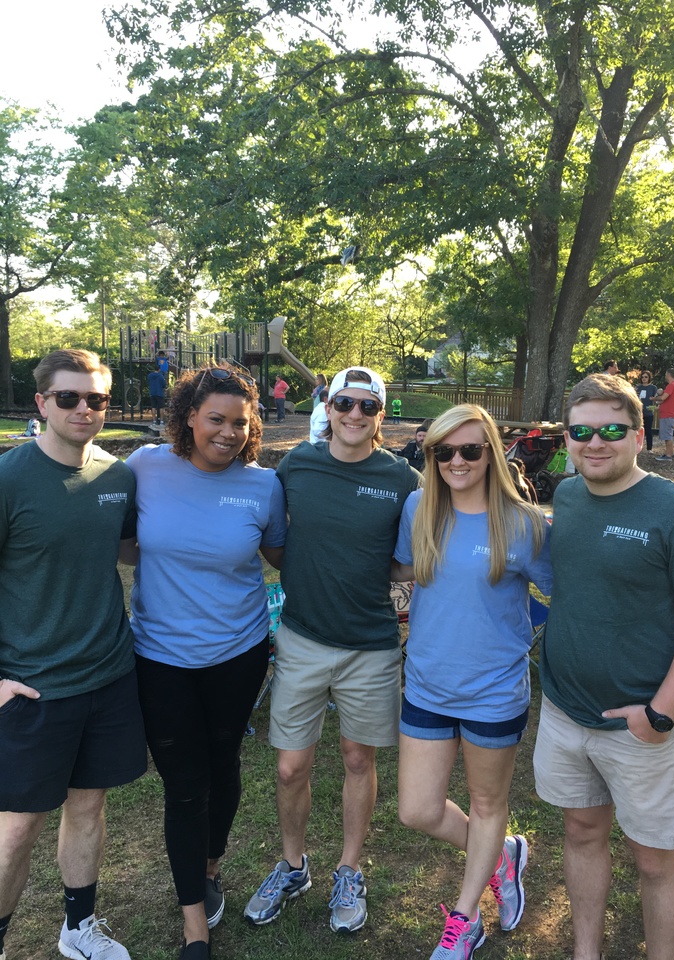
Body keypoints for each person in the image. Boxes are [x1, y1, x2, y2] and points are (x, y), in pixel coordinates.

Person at [533, 373, 674, 960]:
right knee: (582, 833)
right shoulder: (566, 494)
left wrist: (660, 716)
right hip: (565, 712)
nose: (595, 442)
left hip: (643, 729)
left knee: (656, 859)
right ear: (566, 436)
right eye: (581, 430)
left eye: (612, 430)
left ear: (639, 435)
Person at [243, 367, 421, 934]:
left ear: (381, 416)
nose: (354, 414)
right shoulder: (296, 463)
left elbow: (404, 560)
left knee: (356, 758)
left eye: (368, 407)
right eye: (344, 402)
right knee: (292, 765)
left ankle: (349, 867)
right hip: (301, 637)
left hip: (371, 645)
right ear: (328, 404)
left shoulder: (403, 479)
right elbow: (275, 542)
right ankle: (293, 865)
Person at [122, 366, 286, 960]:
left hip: (239, 654)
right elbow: (115, 537)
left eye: (240, 423)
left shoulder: (264, 485)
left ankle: (210, 866)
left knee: (224, 765)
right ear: (188, 416)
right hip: (160, 657)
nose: (227, 432)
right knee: (185, 786)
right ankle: (195, 922)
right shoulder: (144, 466)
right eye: (215, 419)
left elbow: (280, 553)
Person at [0, 349, 147, 960]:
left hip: (109, 676)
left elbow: (130, 553)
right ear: (42, 403)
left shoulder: (119, 478)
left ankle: (77, 928)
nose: (85, 409)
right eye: (69, 398)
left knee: (88, 808)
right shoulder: (10, 479)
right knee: (15, 830)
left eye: (97, 400)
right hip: (32, 684)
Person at [392, 405, 552, 959]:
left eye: (470, 450)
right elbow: (401, 570)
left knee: (487, 803)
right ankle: (502, 855)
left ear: (493, 453)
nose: (456, 461)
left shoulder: (525, 523)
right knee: (417, 810)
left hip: (494, 692)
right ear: (431, 455)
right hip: (427, 685)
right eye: (443, 451)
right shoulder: (418, 508)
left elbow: (562, 595)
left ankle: (466, 921)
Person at [653, 367, 674, 461]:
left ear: (669, 375)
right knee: (667, 435)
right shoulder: (673, 385)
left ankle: (668, 455)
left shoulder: (672, 385)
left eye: (666, 374)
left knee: (668, 436)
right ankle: (669, 453)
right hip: (668, 414)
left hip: (668, 415)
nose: (665, 376)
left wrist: (654, 399)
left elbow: (663, 398)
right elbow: (668, 401)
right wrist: (659, 407)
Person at [635, 371, 657, 452]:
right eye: (643, 377)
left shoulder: (653, 388)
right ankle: (636, 447)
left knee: (648, 431)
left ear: (649, 378)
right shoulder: (638, 387)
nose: (644, 378)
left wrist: (653, 407)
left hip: (648, 413)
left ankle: (649, 448)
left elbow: (656, 399)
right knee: (637, 430)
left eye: (646, 377)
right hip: (638, 412)